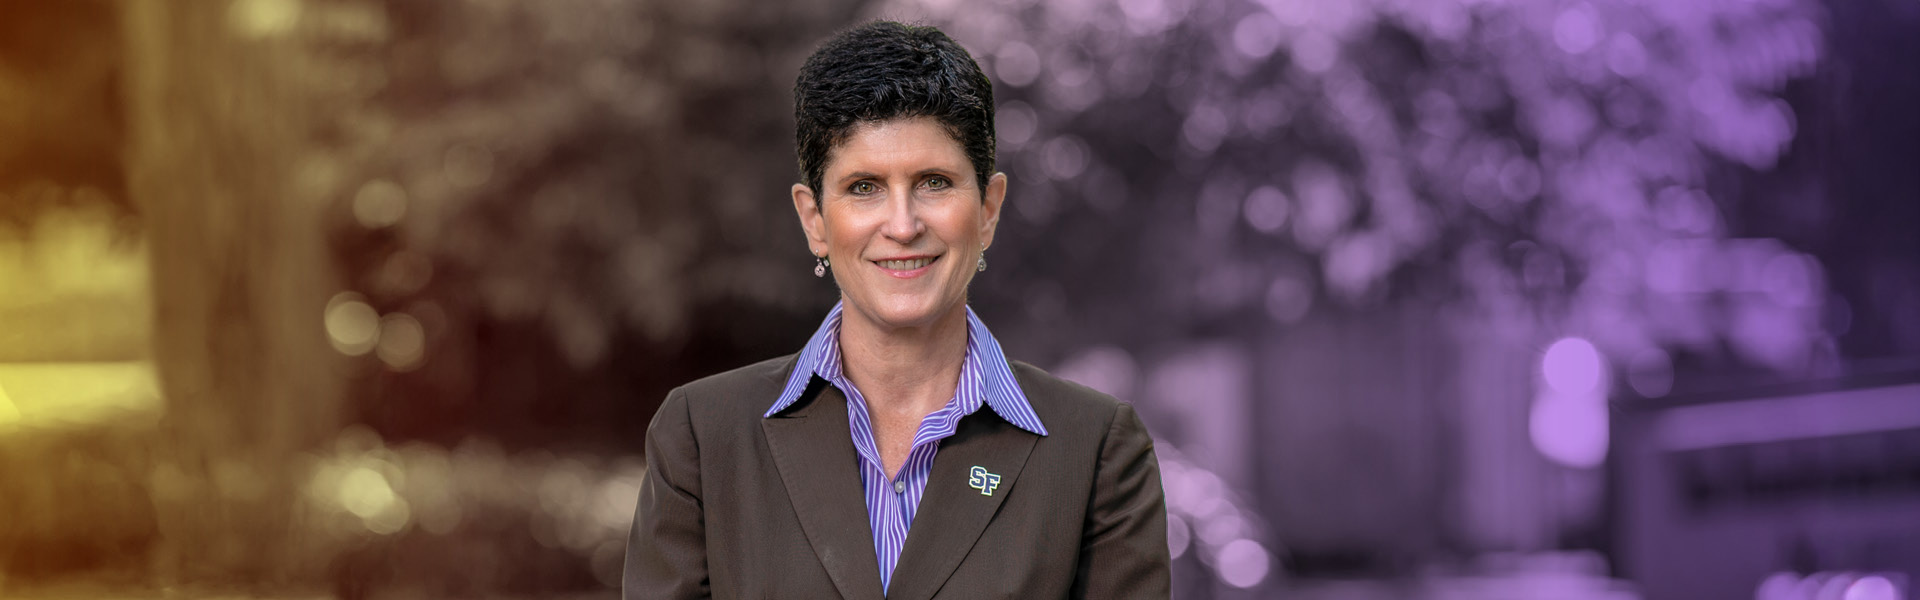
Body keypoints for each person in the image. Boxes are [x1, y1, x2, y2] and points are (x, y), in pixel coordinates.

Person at [623, 21, 1170, 600]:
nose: (903, 225)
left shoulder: (1096, 451)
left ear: (988, 209)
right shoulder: (704, 436)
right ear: (815, 220)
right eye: (864, 187)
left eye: (934, 182)